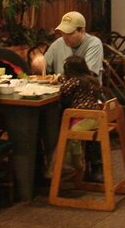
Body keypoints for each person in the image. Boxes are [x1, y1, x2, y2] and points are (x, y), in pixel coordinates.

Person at [31, 11, 104, 182]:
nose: (65, 37)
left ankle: (96, 165)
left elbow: (86, 76)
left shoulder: (94, 43)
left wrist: (60, 79)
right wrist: (38, 65)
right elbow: (44, 69)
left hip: (87, 97)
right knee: (43, 116)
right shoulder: (58, 44)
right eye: (63, 32)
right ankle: (48, 164)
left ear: (82, 31)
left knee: (84, 115)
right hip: (62, 97)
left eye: (69, 33)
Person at [49, 55, 101, 174]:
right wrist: (62, 79)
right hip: (96, 117)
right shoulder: (92, 80)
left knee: (70, 134)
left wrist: (59, 80)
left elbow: (64, 90)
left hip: (83, 117)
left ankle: (74, 160)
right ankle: (70, 161)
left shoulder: (76, 80)